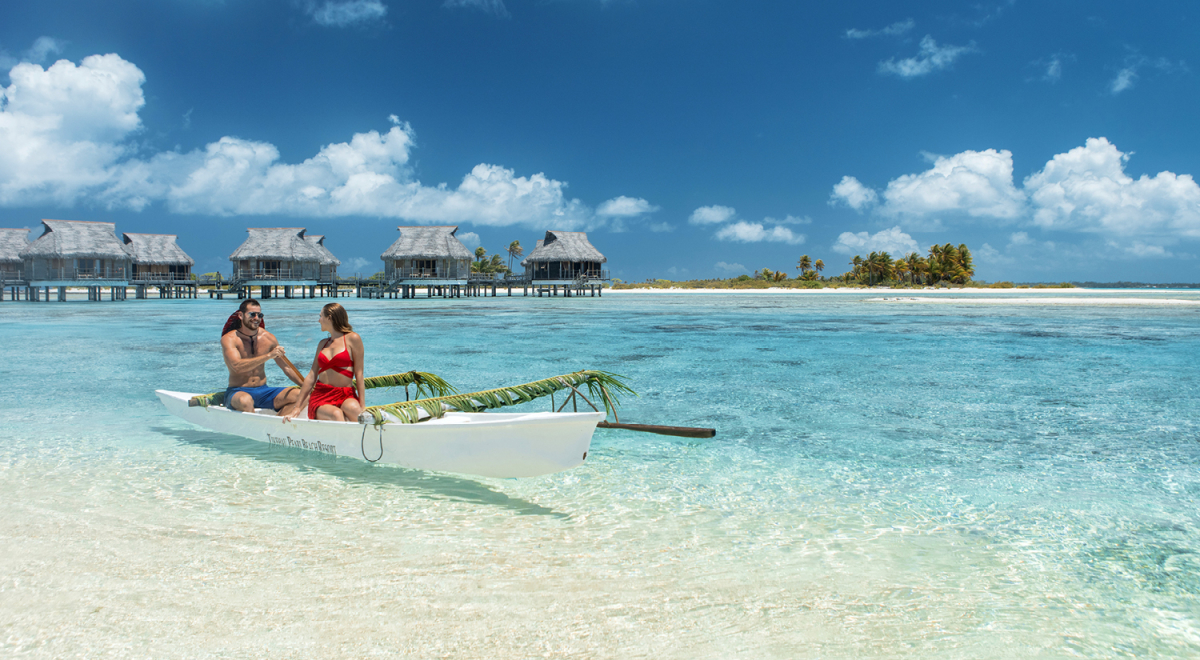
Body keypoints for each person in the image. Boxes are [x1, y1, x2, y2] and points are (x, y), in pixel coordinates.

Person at [281, 303, 366, 422]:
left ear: (329, 317)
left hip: (346, 394)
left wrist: (363, 405)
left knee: (357, 412)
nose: (319, 320)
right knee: (336, 414)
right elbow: (312, 375)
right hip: (322, 395)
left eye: (321, 316)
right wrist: (297, 407)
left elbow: (359, 373)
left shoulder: (353, 339)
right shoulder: (323, 344)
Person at [221, 298, 305, 414]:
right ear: (240, 315)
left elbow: (287, 368)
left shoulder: (268, 338)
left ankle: (277, 426)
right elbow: (237, 366)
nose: (256, 318)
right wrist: (269, 355)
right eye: (252, 314)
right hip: (238, 391)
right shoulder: (229, 339)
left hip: (263, 391)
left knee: (301, 396)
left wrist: (306, 387)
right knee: (245, 401)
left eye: (259, 315)